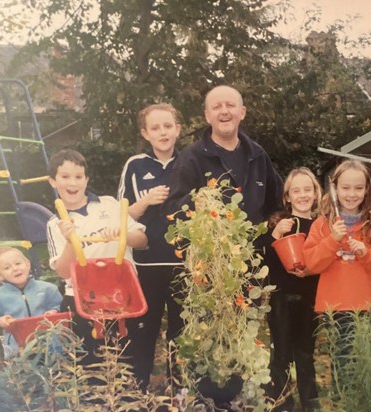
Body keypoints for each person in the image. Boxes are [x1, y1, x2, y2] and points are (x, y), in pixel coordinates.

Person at [46, 149, 147, 366]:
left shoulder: (110, 205)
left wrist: (123, 234)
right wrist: (71, 240)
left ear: (86, 179)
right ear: (53, 181)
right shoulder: (55, 224)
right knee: (90, 361)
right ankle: (94, 400)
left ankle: (132, 397)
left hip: (122, 293)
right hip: (82, 298)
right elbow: (64, 271)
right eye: (64, 177)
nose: (72, 183)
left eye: (78, 176)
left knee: (129, 358)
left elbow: (143, 240)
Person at [117, 103, 184, 391]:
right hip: (146, 266)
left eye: (168, 126)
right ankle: (137, 392)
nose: (163, 132)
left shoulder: (190, 162)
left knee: (182, 334)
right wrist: (144, 202)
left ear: (177, 129)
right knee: (142, 333)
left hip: (186, 265)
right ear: (146, 133)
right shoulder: (135, 165)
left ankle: (180, 392)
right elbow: (121, 214)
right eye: (155, 128)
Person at [303, 160, 371, 363]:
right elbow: (311, 264)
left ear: (367, 190)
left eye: (358, 188)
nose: (352, 194)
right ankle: (343, 397)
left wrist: (366, 253)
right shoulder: (322, 225)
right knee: (342, 363)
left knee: (367, 363)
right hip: (336, 308)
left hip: (367, 306)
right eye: (345, 188)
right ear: (335, 189)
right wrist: (332, 240)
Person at [165, 85, 283, 226]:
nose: (224, 111)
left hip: (257, 246)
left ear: (242, 112)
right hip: (210, 247)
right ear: (207, 116)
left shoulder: (258, 155)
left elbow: (276, 205)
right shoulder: (191, 158)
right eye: (216, 107)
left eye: (230, 105)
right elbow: (172, 209)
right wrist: (196, 203)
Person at [263, 167, 322, 412]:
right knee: (282, 354)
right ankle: (280, 403)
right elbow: (263, 258)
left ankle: (311, 403)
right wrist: (273, 235)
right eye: (296, 190)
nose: (302, 195)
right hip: (282, 300)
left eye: (307, 189)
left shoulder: (321, 226)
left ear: (316, 193)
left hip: (310, 299)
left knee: (306, 354)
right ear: (287, 197)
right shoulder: (280, 222)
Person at [0, 246, 62, 359]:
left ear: (28, 264)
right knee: (24, 374)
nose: (15, 268)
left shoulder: (47, 289)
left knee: (55, 372)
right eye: (7, 268)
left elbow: (59, 305)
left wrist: (53, 311)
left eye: (18, 263)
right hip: (17, 347)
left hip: (49, 342)